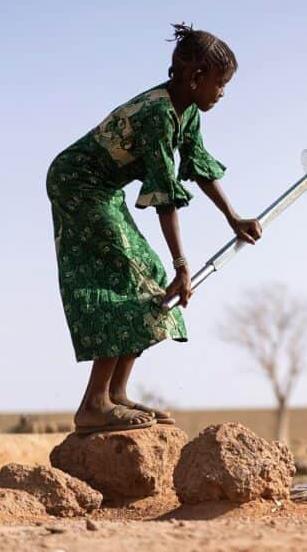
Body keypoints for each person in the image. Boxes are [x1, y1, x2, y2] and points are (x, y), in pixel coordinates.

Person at [46, 24, 262, 434]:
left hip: (104, 190)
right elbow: (164, 195)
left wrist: (234, 218)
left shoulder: (187, 112)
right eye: (220, 83)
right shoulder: (158, 114)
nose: (222, 93)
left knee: (150, 276)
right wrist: (183, 263)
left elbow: (197, 166)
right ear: (196, 78)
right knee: (129, 274)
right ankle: (93, 403)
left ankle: (117, 395)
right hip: (78, 184)